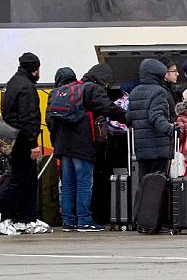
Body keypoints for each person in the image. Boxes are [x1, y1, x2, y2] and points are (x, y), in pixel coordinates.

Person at [46, 64, 128, 232]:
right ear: (103, 80)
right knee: (84, 182)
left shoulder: (61, 91)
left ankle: (68, 221)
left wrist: (56, 144)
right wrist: (129, 118)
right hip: (82, 145)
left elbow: (50, 121)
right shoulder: (91, 89)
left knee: (68, 184)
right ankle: (84, 220)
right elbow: (109, 108)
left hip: (63, 145)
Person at [0, 52, 43, 224]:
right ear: (34, 69)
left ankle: (25, 217)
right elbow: (28, 117)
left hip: (13, 139)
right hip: (23, 141)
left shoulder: (12, 83)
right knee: (22, 181)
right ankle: (5, 216)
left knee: (25, 179)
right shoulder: (26, 87)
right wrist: (33, 144)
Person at [126, 58, 178, 180]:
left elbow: (128, 118)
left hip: (141, 149)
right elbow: (156, 117)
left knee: (144, 184)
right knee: (158, 186)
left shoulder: (134, 92)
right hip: (159, 148)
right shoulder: (159, 91)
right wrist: (173, 130)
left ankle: (141, 200)